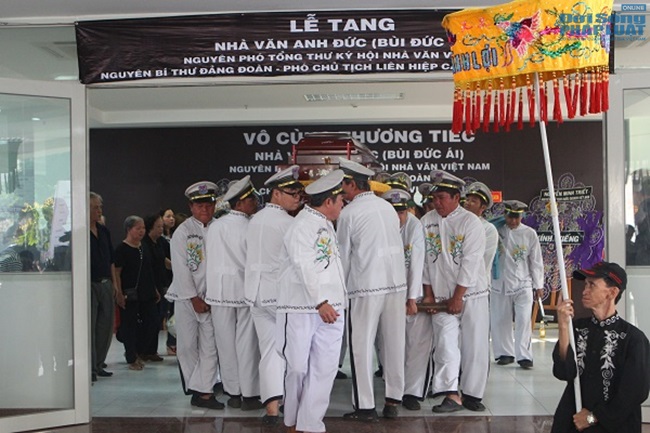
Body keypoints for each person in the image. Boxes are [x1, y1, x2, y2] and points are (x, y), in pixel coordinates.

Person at [337, 158, 408, 421]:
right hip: (395, 284)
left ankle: (365, 406)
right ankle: (393, 400)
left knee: (361, 345)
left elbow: (343, 255)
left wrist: (339, 292)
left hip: (366, 286)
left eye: (343, 185)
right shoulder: (387, 207)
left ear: (352, 184)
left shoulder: (349, 213)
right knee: (394, 343)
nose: (341, 191)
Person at [276, 169, 347, 433]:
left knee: (324, 369)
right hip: (301, 308)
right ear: (328, 201)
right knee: (296, 368)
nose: (342, 205)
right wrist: (320, 301)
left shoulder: (325, 223)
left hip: (332, 308)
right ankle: (292, 422)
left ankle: (311, 424)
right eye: (340, 201)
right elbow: (303, 265)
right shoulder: (302, 225)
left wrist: (334, 302)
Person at [551, 261, 650, 433]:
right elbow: (563, 372)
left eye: (592, 285)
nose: (584, 291)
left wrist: (592, 418)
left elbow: (635, 392)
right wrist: (563, 327)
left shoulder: (633, 339)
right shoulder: (577, 328)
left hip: (613, 426)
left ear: (612, 292)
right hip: (572, 422)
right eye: (585, 284)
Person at [420, 170, 489, 413]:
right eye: (434, 198)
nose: (436, 203)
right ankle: (451, 394)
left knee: (474, 346)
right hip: (440, 297)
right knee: (445, 344)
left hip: (471, 294)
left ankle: (472, 394)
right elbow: (424, 261)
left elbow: (470, 263)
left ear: (456, 198)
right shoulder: (426, 221)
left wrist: (458, 297)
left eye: (441, 198)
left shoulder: (470, 223)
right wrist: (428, 294)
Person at [244, 165, 303, 425]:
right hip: (279, 295)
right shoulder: (289, 223)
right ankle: (290, 404)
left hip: (255, 293)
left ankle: (271, 409)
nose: (297, 199)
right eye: (292, 194)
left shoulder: (255, 219)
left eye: (298, 194)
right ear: (276, 193)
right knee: (289, 351)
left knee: (268, 350)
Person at [206, 175, 264, 411]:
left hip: (218, 293)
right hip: (243, 291)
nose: (255, 203)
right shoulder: (251, 226)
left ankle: (233, 393)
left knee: (225, 344)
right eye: (251, 200)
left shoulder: (215, 226)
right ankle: (249, 393)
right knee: (247, 344)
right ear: (239, 203)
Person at [165, 181, 224, 410]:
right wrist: (193, 298)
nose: (205, 210)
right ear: (191, 207)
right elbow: (180, 269)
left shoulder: (220, 228)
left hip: (213, 298)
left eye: (209, 205)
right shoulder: (183, 232)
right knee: (187, 346)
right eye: (199, 206)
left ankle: (205, 391)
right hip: (186, 298)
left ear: (214, 205)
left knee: (210, 345)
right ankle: (195, 387)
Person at [380, 185, 429, 412]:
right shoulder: (379, 227)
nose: (398, 217)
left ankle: (411, 392)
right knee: (391, 345)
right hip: (387, 296)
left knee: (417, 345)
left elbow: (418, 262)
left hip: (413, 294)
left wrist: (411, 298)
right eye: (393, 211)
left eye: (401, 212)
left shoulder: (415, 226)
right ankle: (393, 391)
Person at [491, 200, 544, 369]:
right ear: (504, 215)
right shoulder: (495, 230)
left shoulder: (529, 233)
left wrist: (538, 284)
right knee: (500, 319)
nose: (513, 221)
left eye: (517, 217)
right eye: (510, 217)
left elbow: (536, 261)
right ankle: (504, 353)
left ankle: (524, 356)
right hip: (499, 281)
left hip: (523, 282)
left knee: (523, 320)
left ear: (522, 216)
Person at [113, 215, 160, 370]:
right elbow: (117, 272)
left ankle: (140, 351)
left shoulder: (143, 247)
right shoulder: (121, 249)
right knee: (129, 325)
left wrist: (154, 289)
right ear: (129, 229)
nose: (142, 231)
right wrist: (118, 292)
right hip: (129, 293)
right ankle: (131, 356)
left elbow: (149, 270)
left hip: (147, 291)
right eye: (138, 228)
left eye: (143, 228)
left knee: (153, 321)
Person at [89, 192, 117, 382]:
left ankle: (99, 364)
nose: (99, 211)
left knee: (105, 326)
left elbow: (111, 260)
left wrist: (115, 284)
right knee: (90, 326)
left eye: (100, 207)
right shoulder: (79, 232)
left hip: (106, 282)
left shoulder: (104, 231)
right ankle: (90, 366)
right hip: (89, 283)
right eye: (95, 207)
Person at [142, 213, 171, 362]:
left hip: (161, 284)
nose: (161, 229)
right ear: (150, 227)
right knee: (150, 319)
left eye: (161, 226)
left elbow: (164, 259)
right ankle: (143, 350)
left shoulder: (160, 242)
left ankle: (152, 350)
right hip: (148, 285)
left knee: (158, 318)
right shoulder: (144, 243)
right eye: (158, 227)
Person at [464, 181, 499, 288]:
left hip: (477, 286)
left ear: (483, 207)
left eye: (473, 201)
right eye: (467, 199)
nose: (468, 203)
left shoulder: (488, 229)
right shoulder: (458, 225)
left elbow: (484, 261)